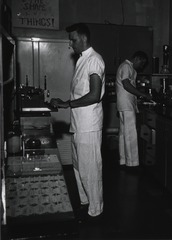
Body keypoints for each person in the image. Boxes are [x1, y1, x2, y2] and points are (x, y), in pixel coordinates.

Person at [50, 23, 105, 218]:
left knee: (90, 169)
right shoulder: (83, 59)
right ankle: (85, 203)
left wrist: (67, 104)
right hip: (78, 124)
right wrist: (67, 104)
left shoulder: (94, 60)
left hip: (89, 126)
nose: (70, 44)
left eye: (72, 39)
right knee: (78, 166)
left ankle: (95, 211)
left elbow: (95, 95)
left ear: (83, 38)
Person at [115, 51, 152, 168]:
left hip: (125, 104)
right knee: (130, 134)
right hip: (126, 105)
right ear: (136, 58)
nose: (142, 66)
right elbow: (126, 85)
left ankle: (123, 160)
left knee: (123, 134)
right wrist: (142, 94)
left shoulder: (129, 68)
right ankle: (132, 164)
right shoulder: (126, 66)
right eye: (142, 63)